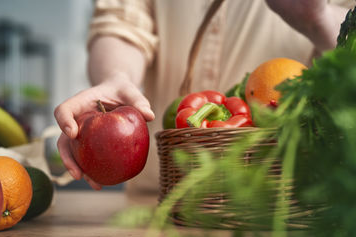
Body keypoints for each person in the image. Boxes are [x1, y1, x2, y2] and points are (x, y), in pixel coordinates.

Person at [54, 0, 354, 193]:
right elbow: (121, 22)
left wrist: (318, 18)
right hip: (162, 198)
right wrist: (116, 77)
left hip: (278, 197)